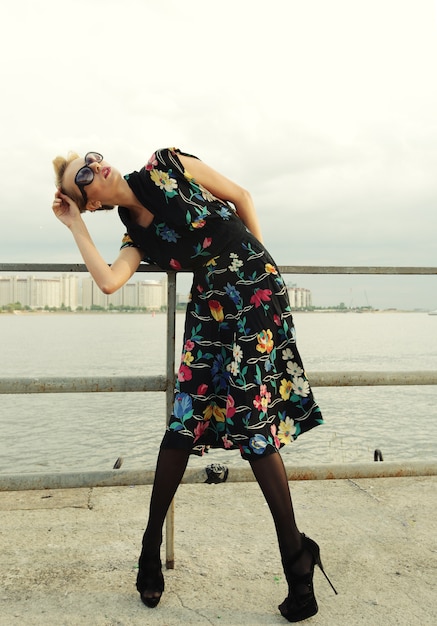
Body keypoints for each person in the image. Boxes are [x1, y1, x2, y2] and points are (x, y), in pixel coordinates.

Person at [52, 147, 337, 622]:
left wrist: (258, 269)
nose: (96, 164)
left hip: (252, 298)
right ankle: (149, 548)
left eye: (92, 156)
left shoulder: (168, 163)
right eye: (84, 174)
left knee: (252, 429)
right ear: (93, 202)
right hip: (209, 309)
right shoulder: (136, 234)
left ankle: (296, 561)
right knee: (183, 423)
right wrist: (74, 224)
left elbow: (241, 196)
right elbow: (107, 281)